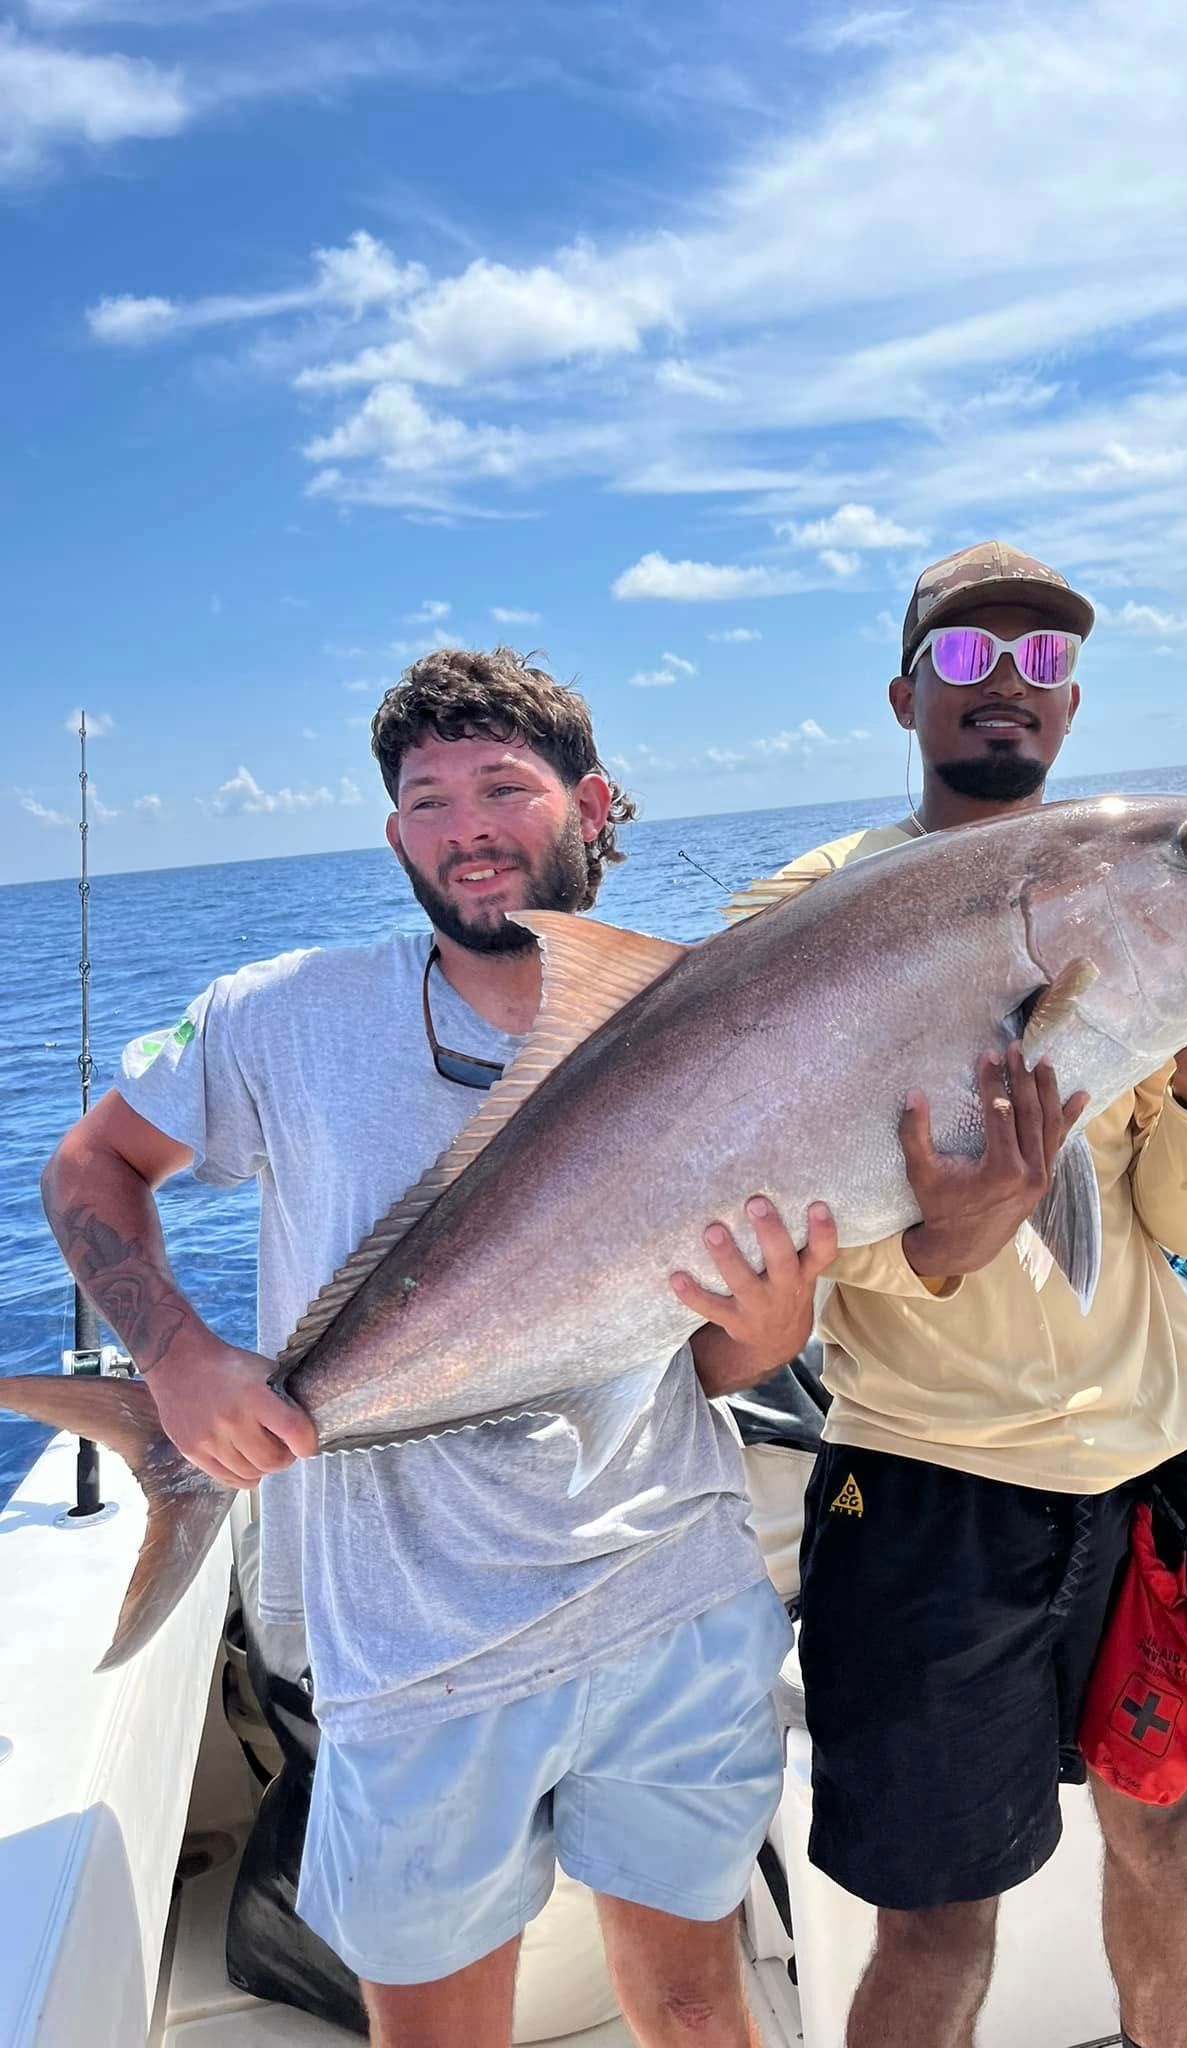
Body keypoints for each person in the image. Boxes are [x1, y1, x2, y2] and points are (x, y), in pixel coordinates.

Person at [40, 647, 837, 2048]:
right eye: (427, 798)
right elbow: (93, 1163)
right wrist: (173, 1358)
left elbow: (683, 1354)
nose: (466, 823)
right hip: (412, 1657)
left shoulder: (715, 1023)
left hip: (674, 1602)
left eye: (505, 785)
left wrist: (770, 1339)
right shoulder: (283, 1016)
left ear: (592, 803)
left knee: (704, 2008)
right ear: (395, 832)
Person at [699, 542, 1187, 2048]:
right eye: (966, 662)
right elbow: (762, 1188)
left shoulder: (1136, 891)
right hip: (928, 1491)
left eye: (1037, 665)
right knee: (939, 1920)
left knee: (1175, 1841)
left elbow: (1172, 1222)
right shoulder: (815, 904)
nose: (1004, 688)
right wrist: (937, 1246)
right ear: (907, 697)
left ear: (1073, 705)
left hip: (1163, 1460)